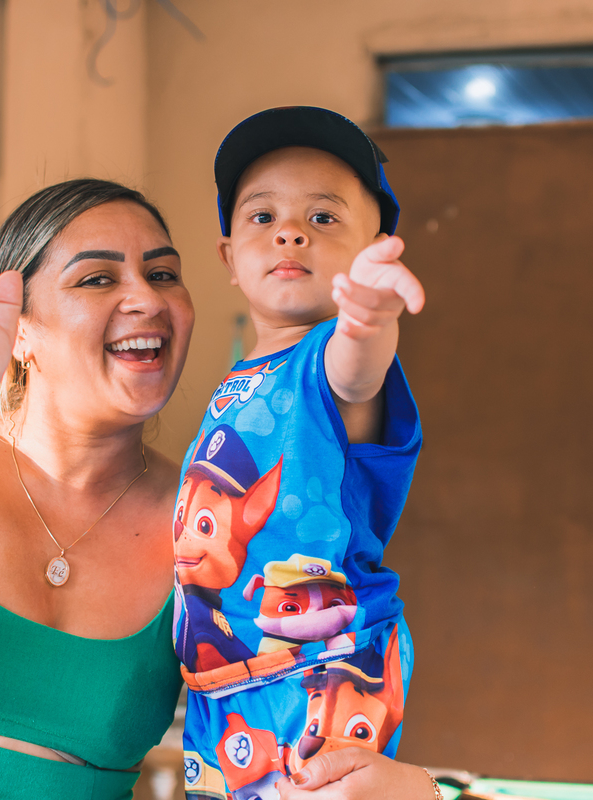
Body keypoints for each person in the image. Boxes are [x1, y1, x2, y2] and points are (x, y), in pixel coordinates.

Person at [0, 177, 439, 800]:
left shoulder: (209, 520)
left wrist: (413, 790)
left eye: (164, 273)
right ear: (19, 328)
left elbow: (299, 684)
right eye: (96, 278)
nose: (145, 297)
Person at [172, 107, 428, 800]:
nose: (290, 230)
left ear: (375, 247)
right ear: (228, 257)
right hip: (228, 684)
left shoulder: (329, 359)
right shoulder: (240, 377)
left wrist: (368, 318)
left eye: (323, 218)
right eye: (262, 217)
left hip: (319, 669)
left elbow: (357, 367)